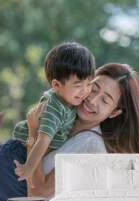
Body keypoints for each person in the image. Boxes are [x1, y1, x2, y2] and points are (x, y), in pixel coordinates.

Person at [0, 63, 139, 201]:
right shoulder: (63, 123)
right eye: (94, 89)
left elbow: (38, 191)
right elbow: (17, 165)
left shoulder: (90, 146)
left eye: (105, 100)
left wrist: (34, 132)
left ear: (114, 112)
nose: (92, 100)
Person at [11, 42, 95, 190]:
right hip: (18, 152)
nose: (85, 91)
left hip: (32, 153)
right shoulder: (54, 108)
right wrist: (27, 169)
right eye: (78, 85)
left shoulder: (71, 99)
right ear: (56, 85)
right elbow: (42, 141)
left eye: (89, 84)